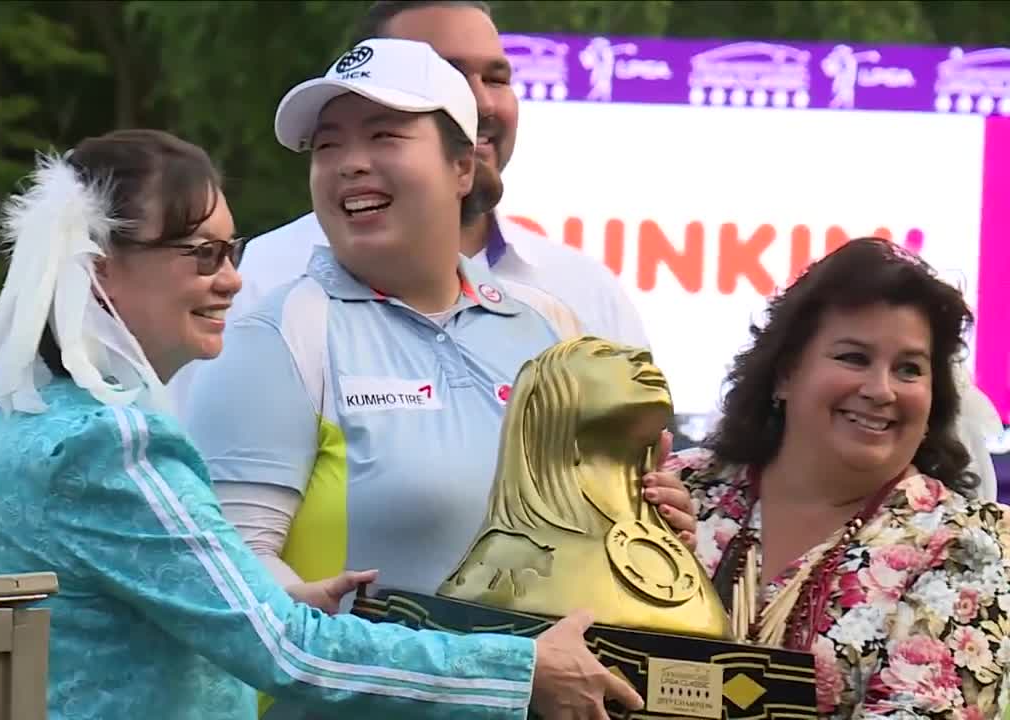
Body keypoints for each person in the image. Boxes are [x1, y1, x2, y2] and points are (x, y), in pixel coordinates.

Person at [0, 128, 647, 720]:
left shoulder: (40, 413)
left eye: (231, 249)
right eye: (202, 253)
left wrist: (273, 592)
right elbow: (286, 649)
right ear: (101, 270)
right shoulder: (108, 443)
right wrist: (519, 672)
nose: (230, 278)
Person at [182, 35, 697, 647]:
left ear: (461, 168)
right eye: (327, 145)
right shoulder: (277, 334)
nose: (349, 162)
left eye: (383, 136)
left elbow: (585, 529)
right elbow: (229, 575)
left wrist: (646, 521)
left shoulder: (552, 327)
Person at [166, 0, 650, 415]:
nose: (479, 102)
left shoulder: (580, 296)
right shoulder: (260, 284)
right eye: (447, 76)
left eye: (496, 77)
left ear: (462, 166)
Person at [650, 238, 1010, 719]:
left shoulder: (970, 544)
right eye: (853, 358)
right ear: (785, 375)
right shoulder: (676, 492)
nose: (880, 390)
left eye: (908, 369)